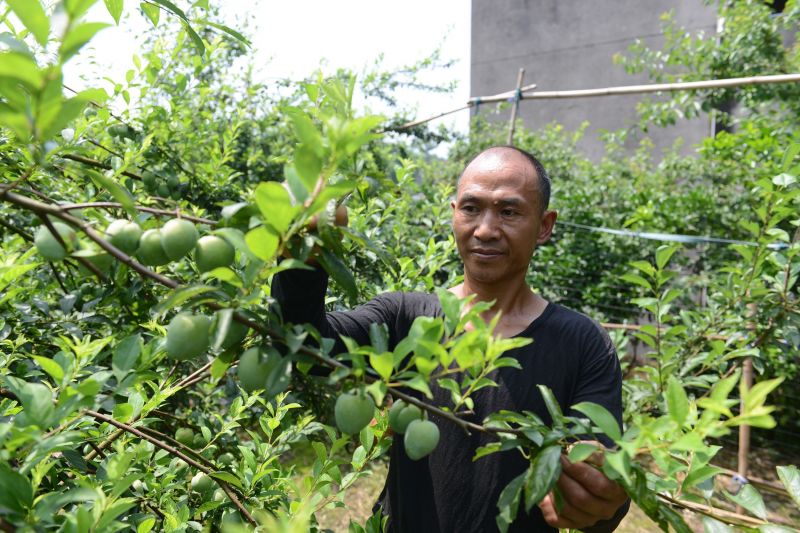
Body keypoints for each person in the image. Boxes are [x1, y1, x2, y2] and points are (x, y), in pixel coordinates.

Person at [272, 146, 630, 532]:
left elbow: (597, 488)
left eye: (508, 212)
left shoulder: (582, 344)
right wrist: (303, 255)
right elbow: (304, 346)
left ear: (544, 226)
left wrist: (604, 495)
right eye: (471, 208)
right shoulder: (404, 320)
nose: (486, 229)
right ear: (453, 213)